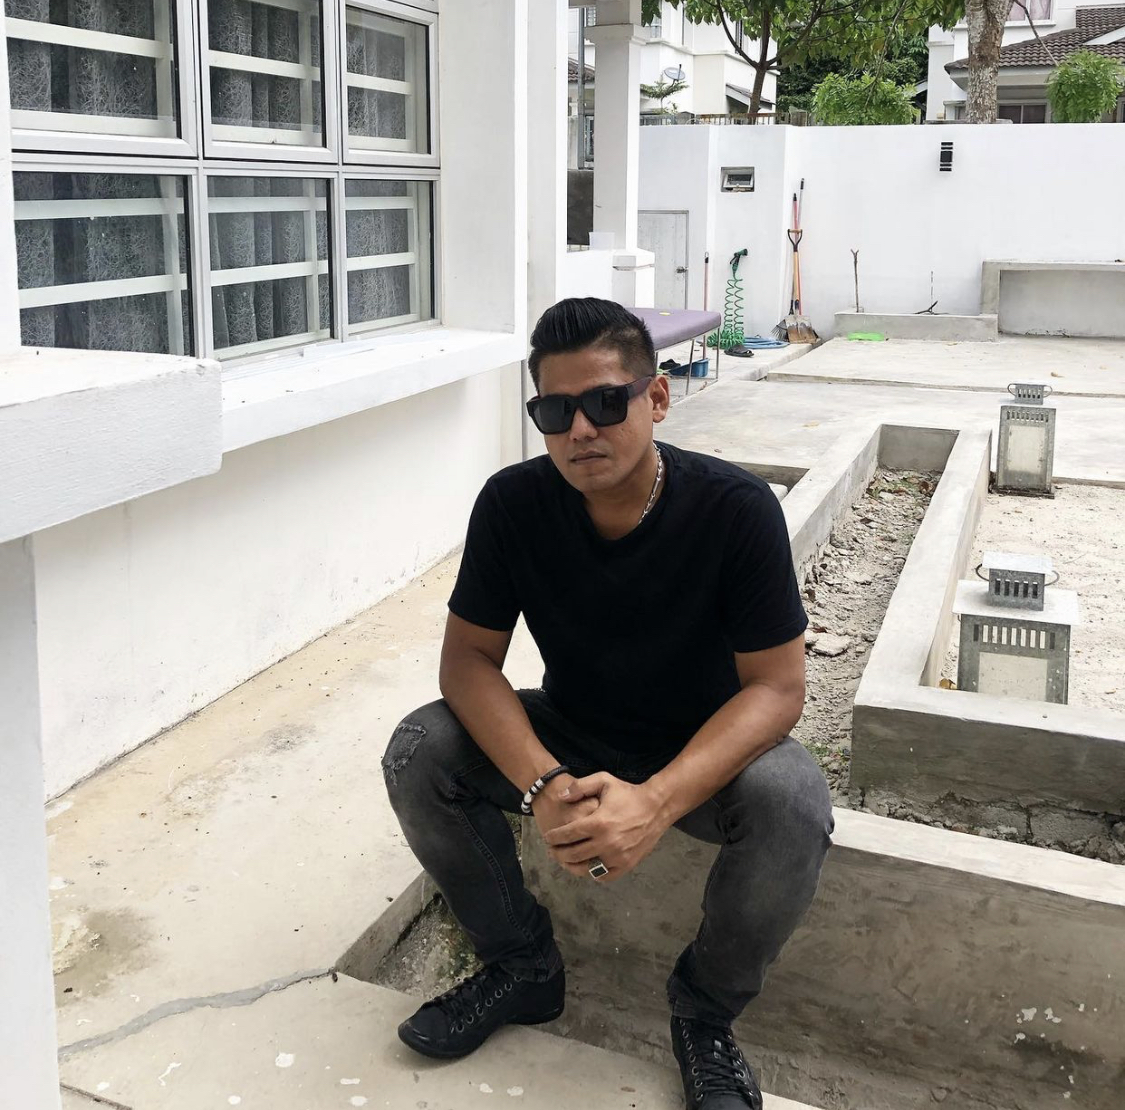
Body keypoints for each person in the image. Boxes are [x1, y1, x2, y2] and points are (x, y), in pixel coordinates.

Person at [382, 297, 833, 1110]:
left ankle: (703, 1015)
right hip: (572, 730)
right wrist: (543, 783)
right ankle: (522, 965)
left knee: (791, 799)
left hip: (698, 746)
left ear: (655, 398)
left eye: (604, 402)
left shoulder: (734, 510)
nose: (580, 430)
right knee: (419, 751)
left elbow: (777, 687)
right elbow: (468, 662)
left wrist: (654, 803)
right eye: (555, 411)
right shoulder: (513, 503)